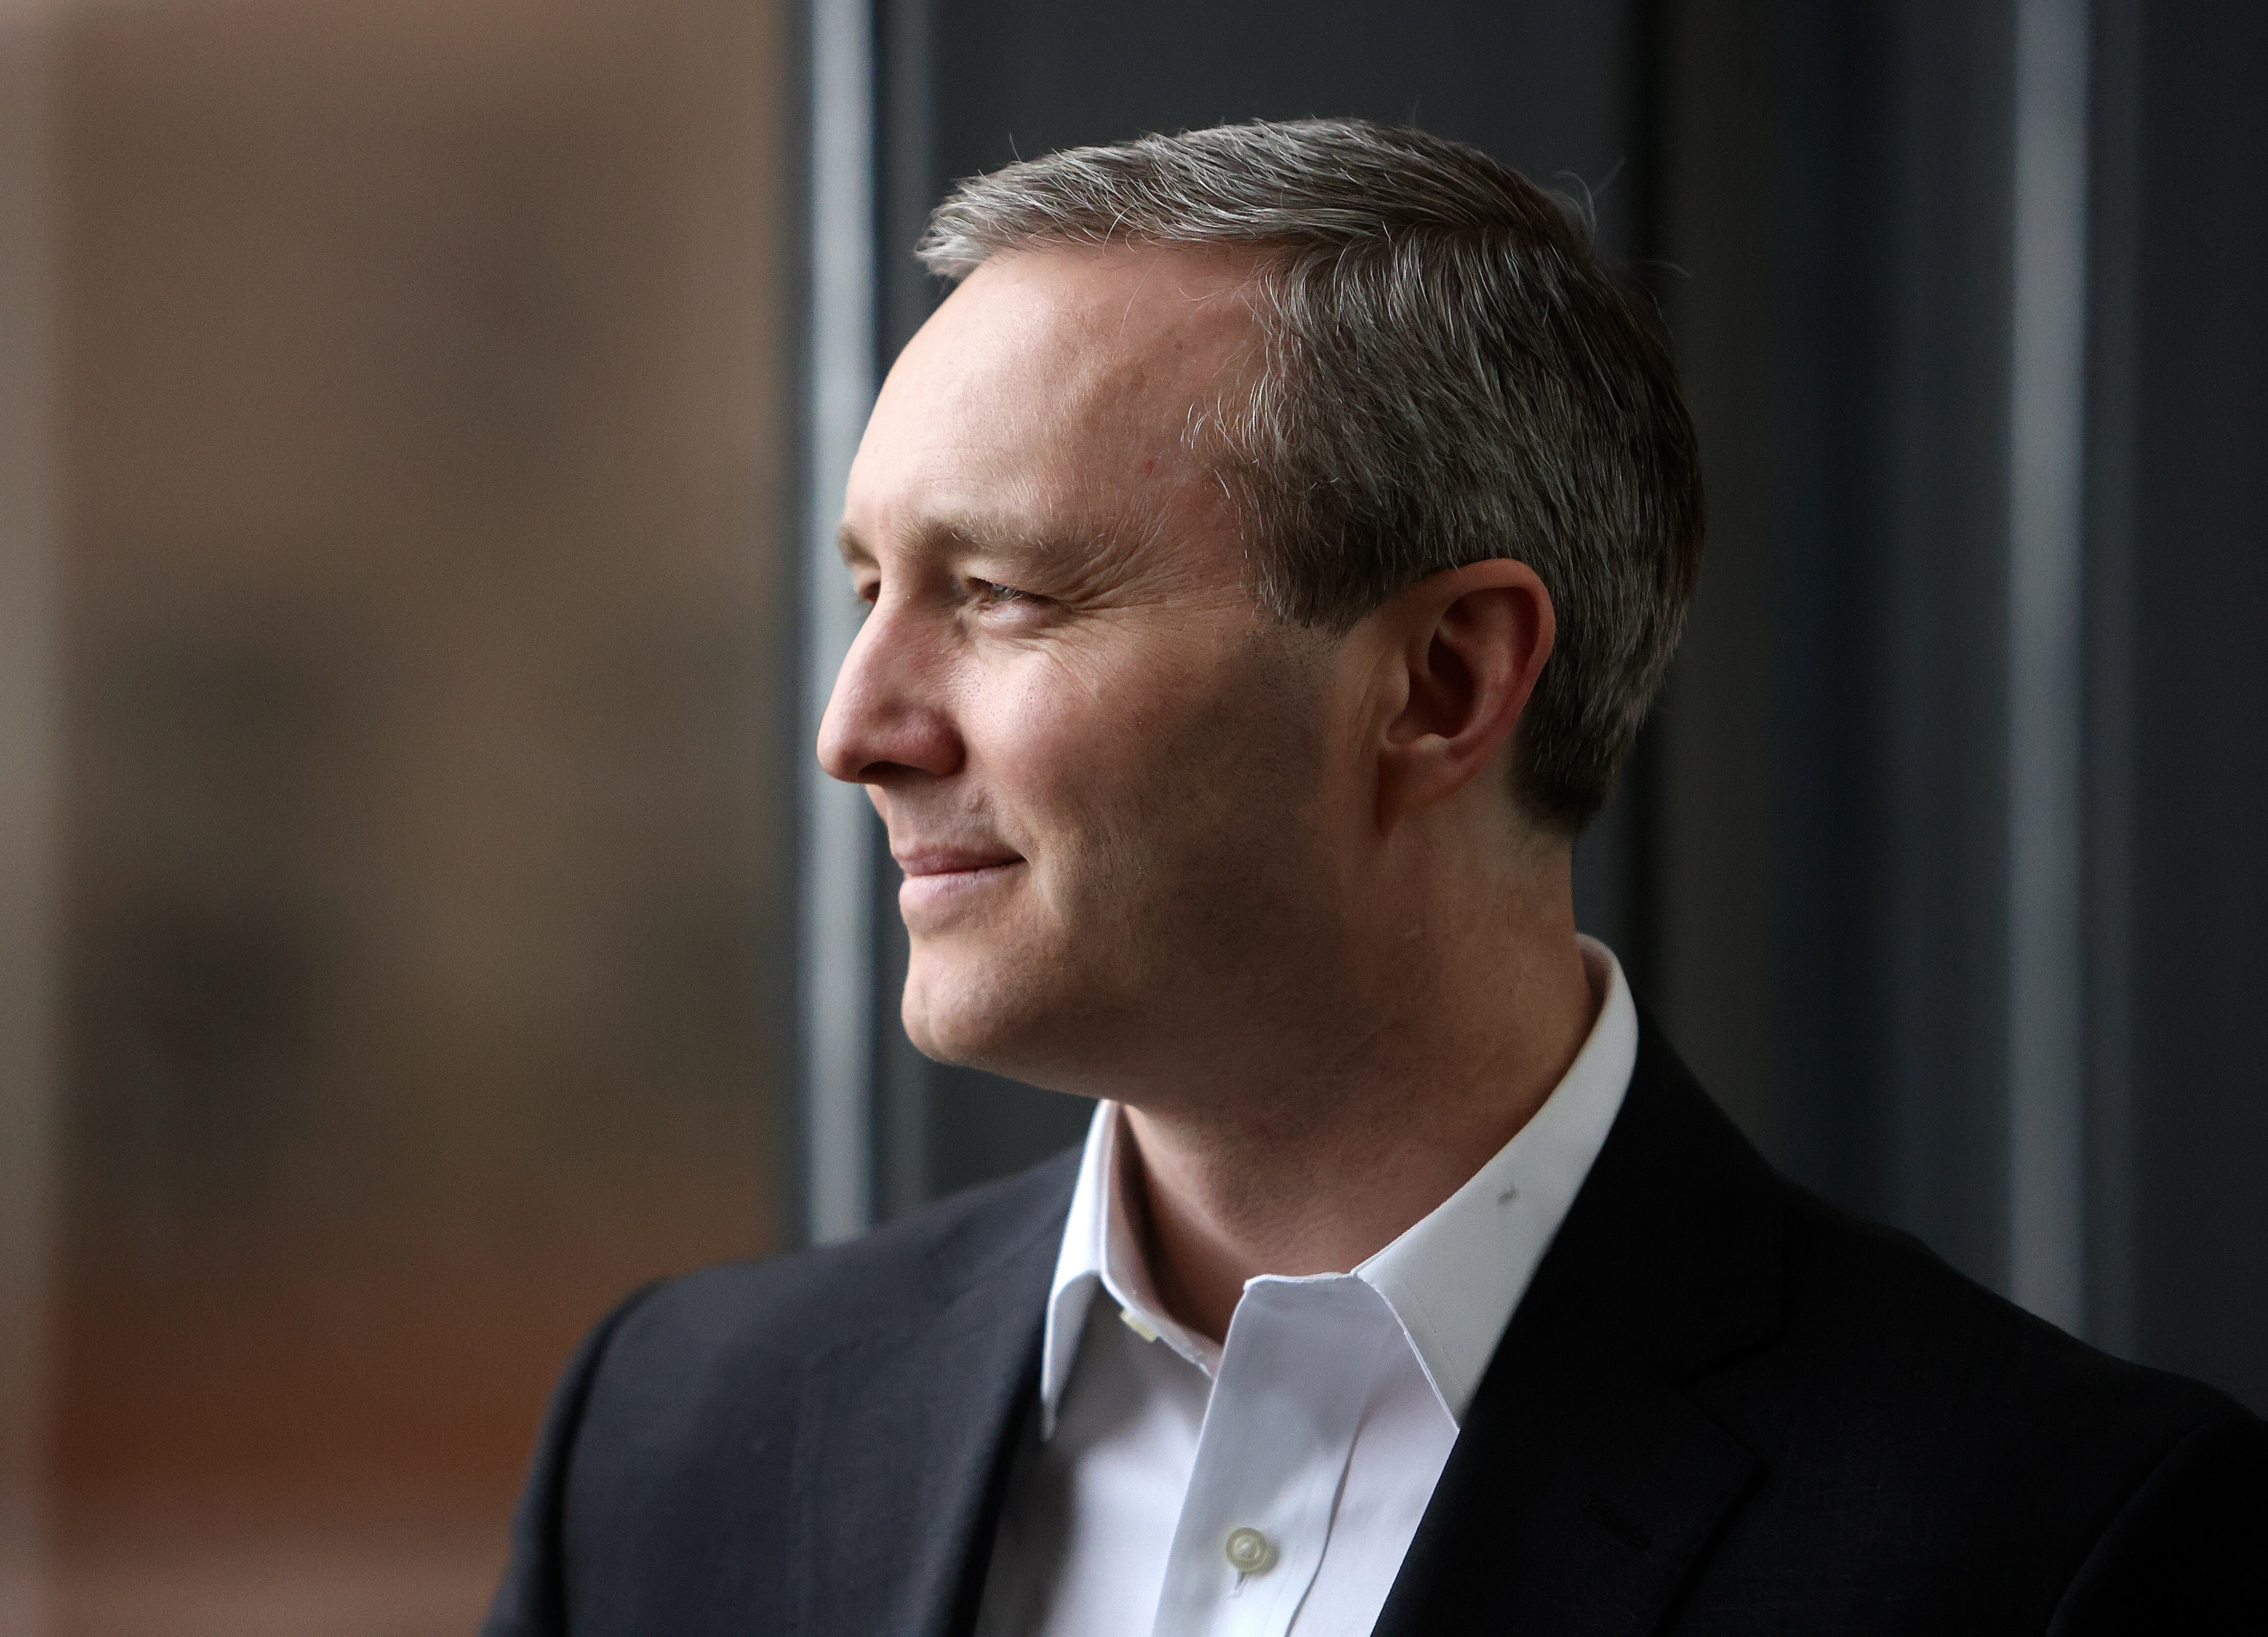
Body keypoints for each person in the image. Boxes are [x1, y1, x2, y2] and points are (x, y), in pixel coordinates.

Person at [483, 119, 2265, 1636]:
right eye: (870, 588)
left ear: (1442, 685)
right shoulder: (675, 1436)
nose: (855, 731)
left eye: (1000, 594)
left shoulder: (2059, 1550)